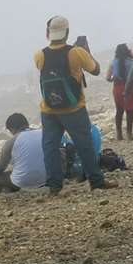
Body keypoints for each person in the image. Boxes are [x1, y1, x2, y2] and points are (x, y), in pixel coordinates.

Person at [34, 16, 105, 192]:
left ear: (48, 33)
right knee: (84, 145)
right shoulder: (76, 52)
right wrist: (86, 52)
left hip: (49, 109)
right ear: (67, 32)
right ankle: (96, 181)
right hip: (74, 108)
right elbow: (96, 70)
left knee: (50, 147)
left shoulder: (39, 55)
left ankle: (54, 186)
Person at [106, 42, 133, 140]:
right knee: (130, 111)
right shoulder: (132, 61)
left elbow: (108, 78)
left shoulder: (113, 62)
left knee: (119, 111)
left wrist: (113, 79)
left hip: (118, 87)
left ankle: (119, 134)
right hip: (130, 87)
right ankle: (129, 134)